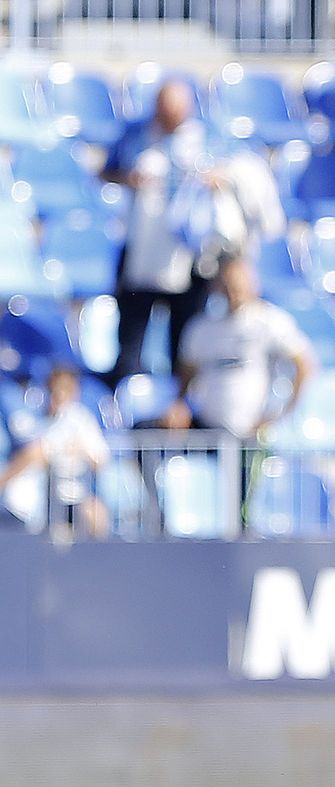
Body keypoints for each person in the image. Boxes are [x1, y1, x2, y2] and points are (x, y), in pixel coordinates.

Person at [101, 80, 216, 389]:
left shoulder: (207, 137)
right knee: (132, 336)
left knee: (185, 340)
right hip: (142, 248)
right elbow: (105, 170)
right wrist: (129, 178)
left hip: (187, 254)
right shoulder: (136, 134)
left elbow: (232, 171)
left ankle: (179, 409)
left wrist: (210, 180)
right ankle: (126, 398)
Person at [175, 254, 315, 443]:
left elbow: (304, 365)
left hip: (252, 434)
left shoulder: (270, 322)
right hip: (207, 430)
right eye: (227, 285)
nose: (232, 292)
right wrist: (179, 407)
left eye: (237, 285)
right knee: (149, 432)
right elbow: (186, 374)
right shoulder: (201, 328)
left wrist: (279, 416)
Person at [0, 366, 110, 539]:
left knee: (96, 515)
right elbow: (37, 453)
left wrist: (80, 451)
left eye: (65, 389)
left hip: (73, 495)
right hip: (44, 498)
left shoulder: (79, 419)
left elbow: (100, 459)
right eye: (55, 389)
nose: (59, 395)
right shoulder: (40, 419)